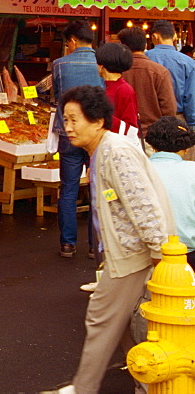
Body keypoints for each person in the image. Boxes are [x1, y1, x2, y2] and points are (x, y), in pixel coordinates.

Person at [42, 85, 173, 394]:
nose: (68, 128)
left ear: (98, 121)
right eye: (65, 120)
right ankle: (150, 384)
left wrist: (160, 257)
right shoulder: (103, 150)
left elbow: (144, 206)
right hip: (128, 254)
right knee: (125, 327)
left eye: (75, 120)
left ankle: (84, 389)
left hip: (134, 256)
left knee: (101, 319)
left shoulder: (114, 152)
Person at [51, 20, 104, 259]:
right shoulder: (102, 64)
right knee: (97, 188)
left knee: (69, 189)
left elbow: (57, 96)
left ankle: (67, 244)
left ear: (72, 41)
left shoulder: (60, 65)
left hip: (68, 133)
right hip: (95, 135)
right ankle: (95, 246)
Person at [145, 116, 195, 270]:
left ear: (153, 146)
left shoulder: (140, 171)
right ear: (186, 148)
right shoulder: (192, 170)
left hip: (149, 255)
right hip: (188, 252)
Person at [118, 27, 177, 147]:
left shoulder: (116, 71)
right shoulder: (160, 71)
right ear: (145, 45)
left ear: (123, 46)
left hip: (123, 136)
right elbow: (169, 108)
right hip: (153, 137)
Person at [147, 21, 195, 137]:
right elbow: (190, 97)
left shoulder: (144, 58)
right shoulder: (188, 62)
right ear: (174, 36)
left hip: (149, 118)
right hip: (178, 118)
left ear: (154, 36)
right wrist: (191, 123)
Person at [95, 42, 138, 135]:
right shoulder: (103, 85)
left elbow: (131, 127)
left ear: (102, 66)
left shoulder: (124, 89)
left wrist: (100, 117)